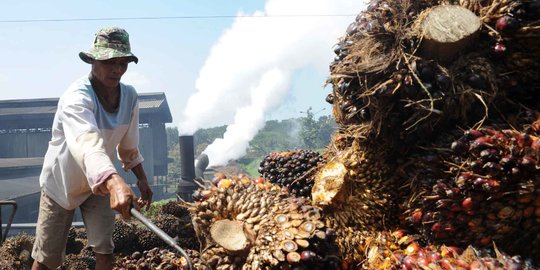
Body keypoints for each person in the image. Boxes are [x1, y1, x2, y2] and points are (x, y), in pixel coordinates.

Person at [31, 27, 153, 270]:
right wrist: (115, 182)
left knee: (105, 252)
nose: (117, 70)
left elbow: (128, 147)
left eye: (123, 62)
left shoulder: (129, 97)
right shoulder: (76, 98)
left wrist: (142, 180)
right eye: (110, 62)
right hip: (62, 183)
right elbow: (87, 144)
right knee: (48, 260)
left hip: (98, 185)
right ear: (92, 60)